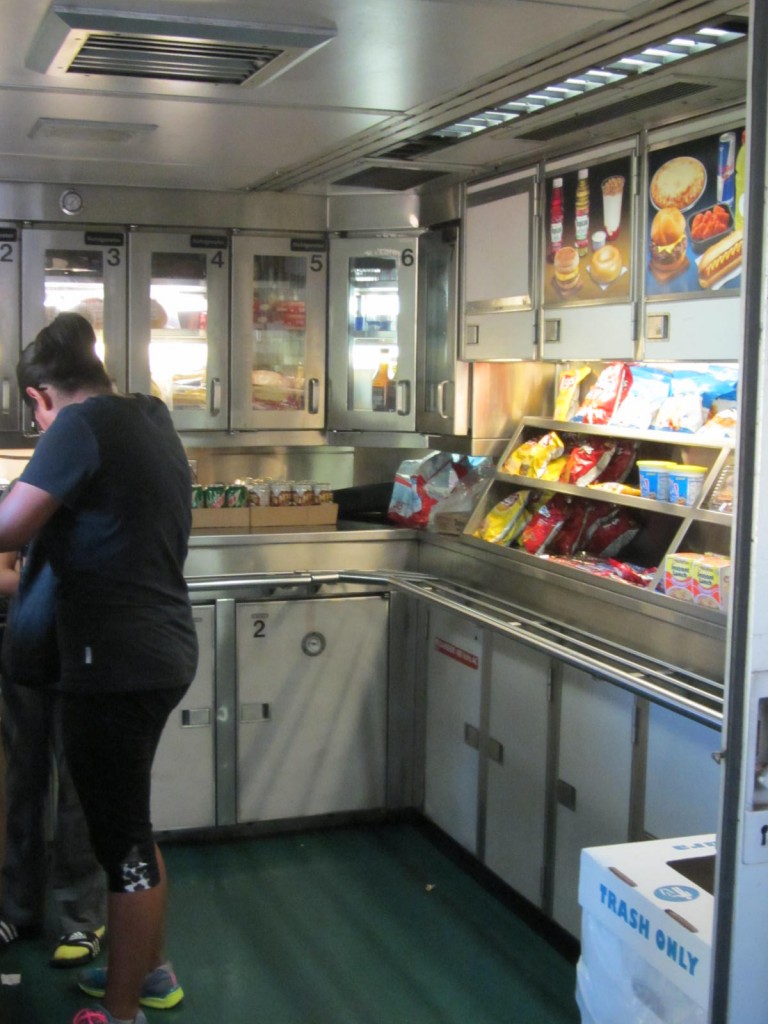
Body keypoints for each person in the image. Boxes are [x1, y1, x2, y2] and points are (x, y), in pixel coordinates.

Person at [0, 312, 199, 1024]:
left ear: (38, 397)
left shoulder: (77, 428)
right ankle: (150, 974)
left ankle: (118, 1017)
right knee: (131, 827)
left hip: (114, 663)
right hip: (158, 648)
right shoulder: (147, 417)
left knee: (121, 843)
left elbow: (7, 527)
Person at [0, 538, 107, 967]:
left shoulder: (103, 498)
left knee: (80, 787)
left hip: (89, 649)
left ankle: (82, 916)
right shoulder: (28, 497)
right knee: (24, 778)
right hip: (28, 646)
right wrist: (46, 584)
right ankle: (17, 908)